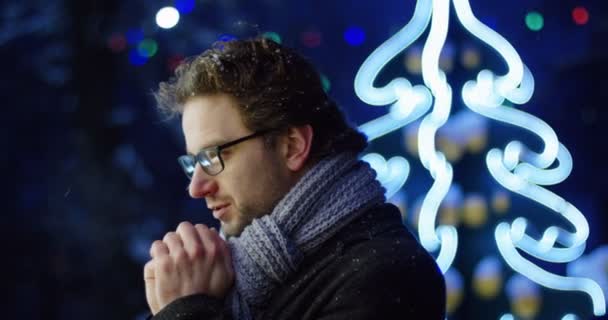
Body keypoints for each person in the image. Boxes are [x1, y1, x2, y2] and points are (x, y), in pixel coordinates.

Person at [144, 37, 446, 320]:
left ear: (292, 146)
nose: (197, 188)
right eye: (194, 162)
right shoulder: (240, 272)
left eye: (214, 155)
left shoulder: (389, 275)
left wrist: (186, 310)